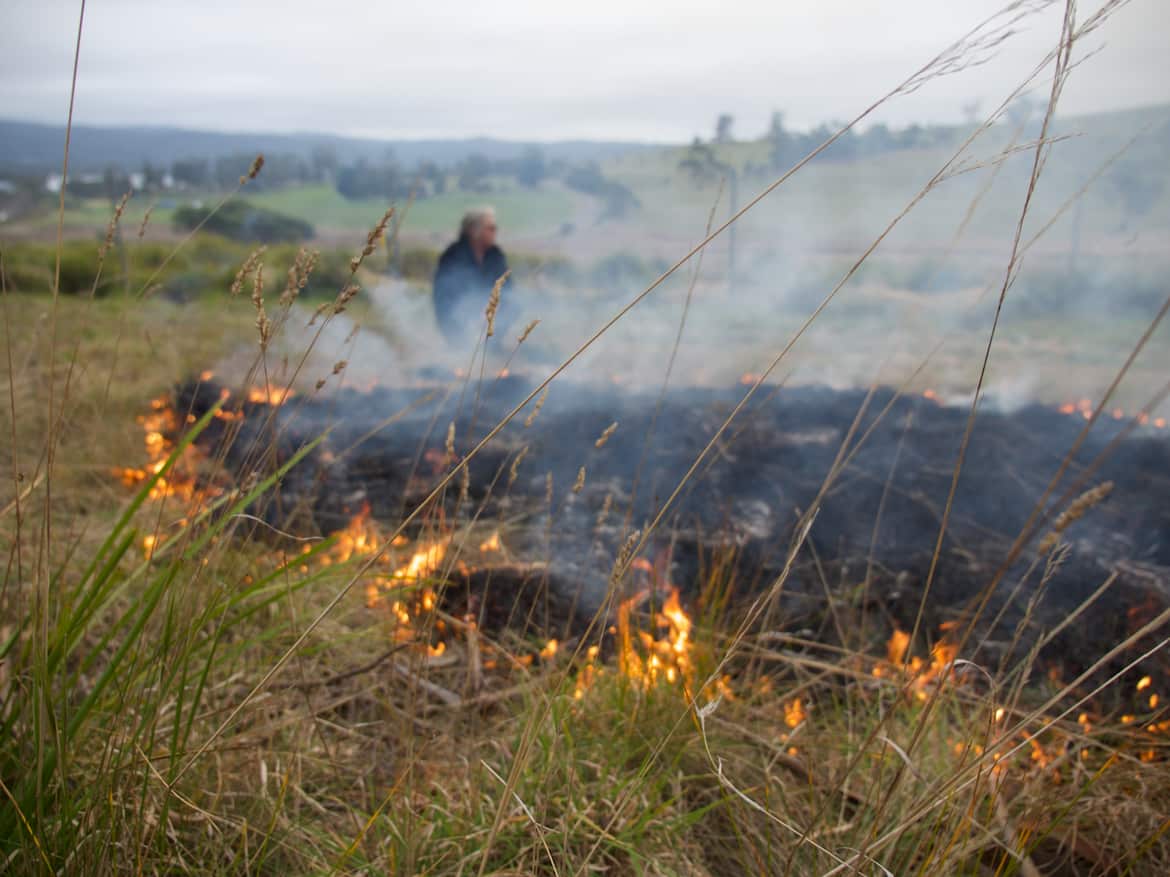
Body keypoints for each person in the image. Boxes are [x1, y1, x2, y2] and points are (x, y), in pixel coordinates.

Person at [433, 207, 512, 344]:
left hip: (490, 321)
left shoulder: (495, 255)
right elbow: (444, 297)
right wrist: (470, 316)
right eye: (490, 228)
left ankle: (492, 344)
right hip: (459, 324)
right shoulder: (453, 256)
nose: (495, 232)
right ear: (473, 230)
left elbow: (509, 288)